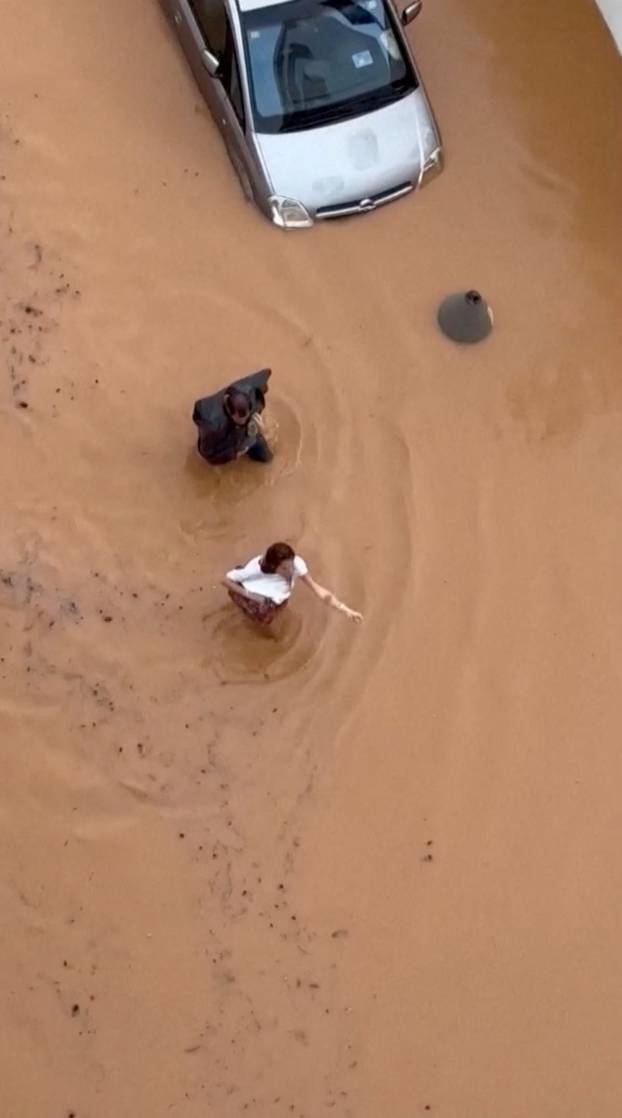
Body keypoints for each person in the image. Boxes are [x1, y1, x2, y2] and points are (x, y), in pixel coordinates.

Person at [223, 542, 363, 626]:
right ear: (273, 567)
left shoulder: (297, 564)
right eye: (284, 568)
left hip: (274, 597)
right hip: (253, 596)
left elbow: (319, 591)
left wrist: (346, 610)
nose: (290, 571)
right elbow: (225, 580)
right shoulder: (255, 570)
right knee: (264, 621)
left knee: (278, 608)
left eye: (291, 566)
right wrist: (252, 596)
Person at [192, 368, 273, 465]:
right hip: (226, 435)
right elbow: (207, 454)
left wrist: (255, 416)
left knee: (266, 457)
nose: (243, 422)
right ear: (228, 411)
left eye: (245, 419)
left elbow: (265, 374)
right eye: (239, 421)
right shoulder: (211, 422)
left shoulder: (250, 390)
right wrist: (235, 453)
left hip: (247, 432)